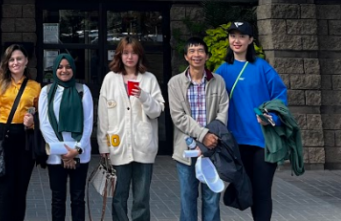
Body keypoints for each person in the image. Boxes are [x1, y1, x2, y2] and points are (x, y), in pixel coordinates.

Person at [214, 22, 288, 221]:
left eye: (241, 36)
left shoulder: (262, 68)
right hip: (235, 143)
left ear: (250, 40)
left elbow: (279, 96)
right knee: (244, 187)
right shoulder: (222, 71)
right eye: (232, 36)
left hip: (262, 141)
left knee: (262, 193)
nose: (236, 41)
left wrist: (271, 118)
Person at [96, 36, 165, 221]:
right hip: (117, 146)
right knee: (118, 197)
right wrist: (103, 145)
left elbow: (157, 111)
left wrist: (144, 96)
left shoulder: (149, 79)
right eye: (126, 53)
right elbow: (103, 115)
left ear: (139, 55)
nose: (130, 57)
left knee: (141, 198)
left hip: (143, 147)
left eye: (134, 53)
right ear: (119, 55)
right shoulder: (110, 79)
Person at [168, 37, 229, 221]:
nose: (197, 54)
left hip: (212, 148)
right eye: (192, 51)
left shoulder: (218, 81)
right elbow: (178, 116)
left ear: (207, 56)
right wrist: (203, 136)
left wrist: (211, 138)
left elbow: (223, 112)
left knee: (212, 198)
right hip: (186, 151)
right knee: (188, 198)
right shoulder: (175, 83)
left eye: (200, 51)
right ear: (186, 56)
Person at [0, 44, 42, 221]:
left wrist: (33, 123)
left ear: (26, 62)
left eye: (19, 59)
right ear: (7, 63)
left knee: (20, 191)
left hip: (25, 138)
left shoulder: (35, 87)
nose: (15, 62)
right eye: (12, 59)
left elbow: (41, 116)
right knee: (6, 192)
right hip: (4, 136)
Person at [39, 54, 94, 221]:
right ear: (55, 69)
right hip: (56, 155)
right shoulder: (46, 92)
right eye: (60, 67)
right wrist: (64, 152)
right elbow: (44, 123)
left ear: (73, 68)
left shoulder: (83, 91)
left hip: (79, 154)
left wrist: (76, 150)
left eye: (68, 66)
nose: (64, 70)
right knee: (57, 199)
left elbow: (88, 122)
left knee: (78, 199)